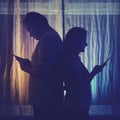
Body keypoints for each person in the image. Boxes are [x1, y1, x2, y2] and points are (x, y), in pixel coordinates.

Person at [15, 12, 64, 120]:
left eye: (29, 30)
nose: (30, 35)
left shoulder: (46, 39)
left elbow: (45, 71)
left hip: (45, 99)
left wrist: (25, 68)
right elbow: (49, 66)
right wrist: (32, 65)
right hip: (50, 97)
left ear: (36, 24)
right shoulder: (52, 36)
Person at [62, 27, 109, 120]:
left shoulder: (71, 58)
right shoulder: (71, 60)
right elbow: (79, 85)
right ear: (75, 41)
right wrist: (94, 72)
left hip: (77, 106)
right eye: (84, 41)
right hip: (76, 107)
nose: (86, 44)